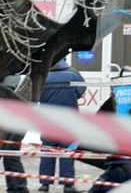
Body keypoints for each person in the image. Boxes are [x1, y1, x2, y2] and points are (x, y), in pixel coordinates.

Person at [38, 59, 86, 193]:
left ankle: (44, 185)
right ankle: (68, 185)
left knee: (47, 152)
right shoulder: (73, 74)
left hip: (48, 121)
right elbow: (81, 91)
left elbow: (37, 95)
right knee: (67, 152)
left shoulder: (43, 76)